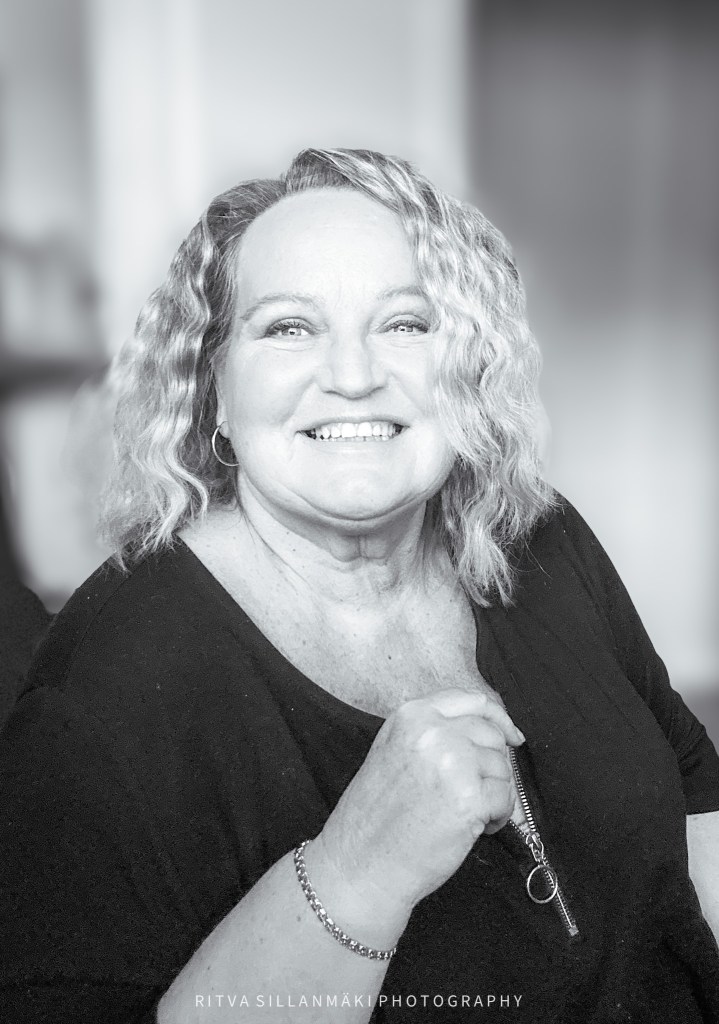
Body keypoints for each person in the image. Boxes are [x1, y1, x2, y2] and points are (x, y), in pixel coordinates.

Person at [1, 148, 718, 1024]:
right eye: (288, 328)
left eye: (406, 324)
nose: (352, 374)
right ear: (212, 388)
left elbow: (693, 800)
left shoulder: (537, 535)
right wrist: (354, 873)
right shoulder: (106, 687)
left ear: (466, 364)